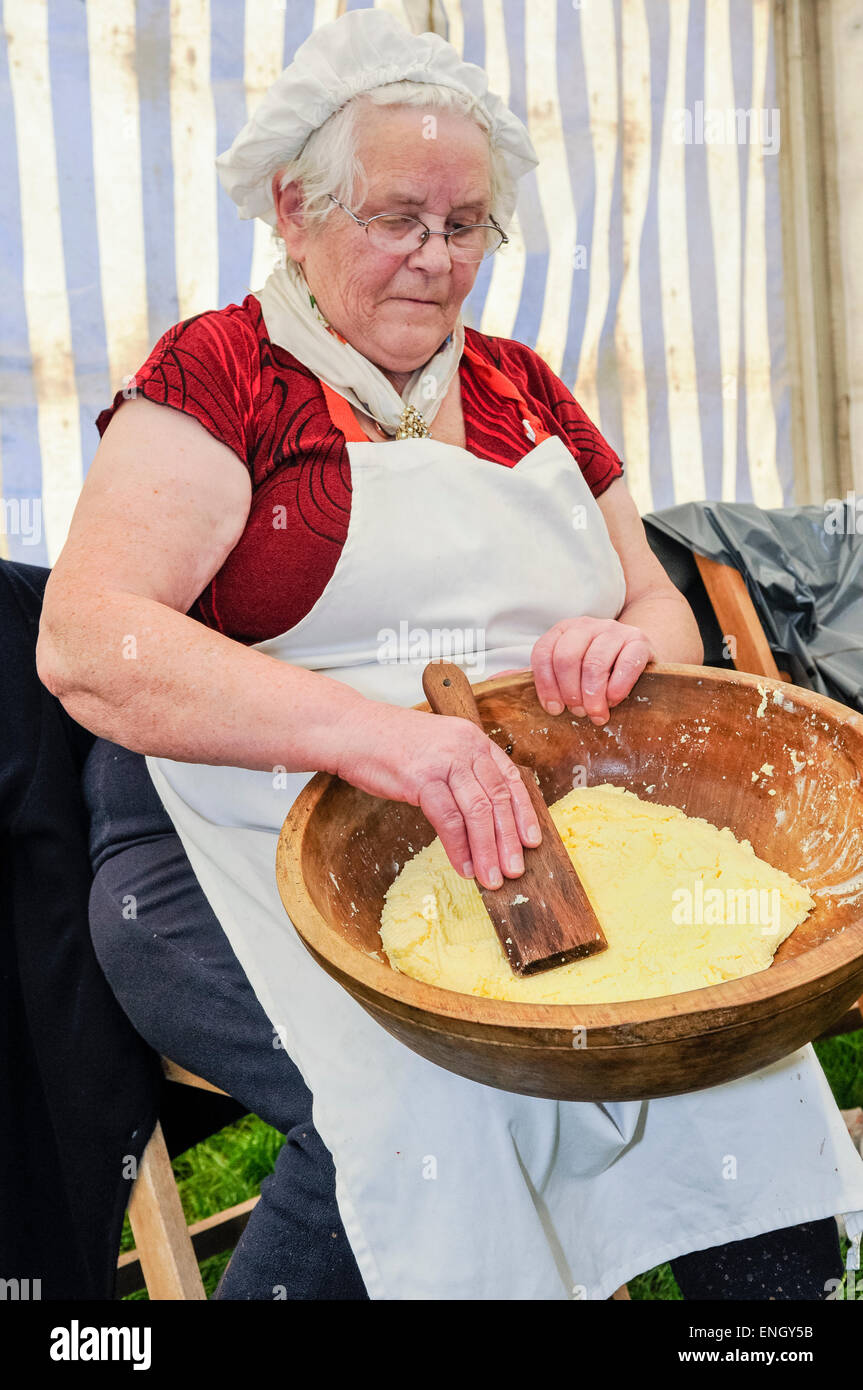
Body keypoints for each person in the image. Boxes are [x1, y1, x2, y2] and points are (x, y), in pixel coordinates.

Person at [36, 9, 863, 1299]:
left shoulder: (527, 389)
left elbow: (665, 609)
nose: (435, 257)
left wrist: (618, 639)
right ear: (294, 209)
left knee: (726, 1068)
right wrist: (384, 740)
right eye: (395, 219)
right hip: (239, 846)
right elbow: (91, 643)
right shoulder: (222, 373)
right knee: (427, 1104)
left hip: (534, 827)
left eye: (466, 224)